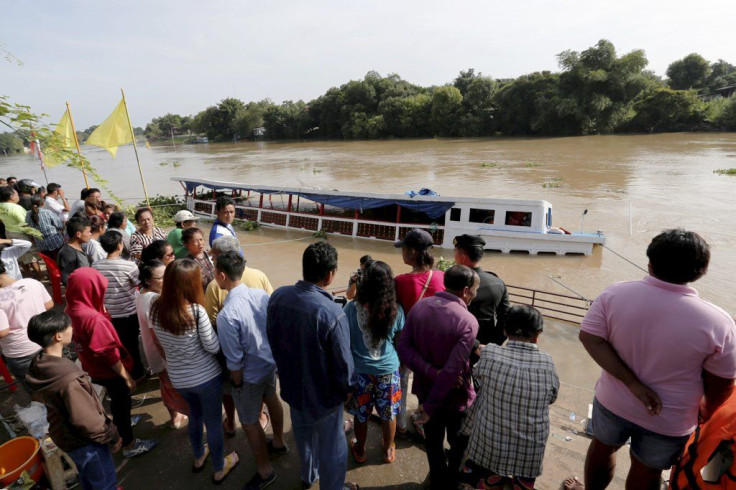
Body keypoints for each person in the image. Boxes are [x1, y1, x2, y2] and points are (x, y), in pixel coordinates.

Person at [564, 229, 736, 490]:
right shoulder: (719, 322)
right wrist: (705, 411)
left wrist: (632, 384)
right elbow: (723, 381)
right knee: (648, 468)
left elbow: (590, 338)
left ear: (650, 262)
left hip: (613, 401)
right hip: (671, 418)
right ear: (701, 271)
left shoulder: (615, 295)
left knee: (602, 447)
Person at [267, 242, 358, 490]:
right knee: (332, 447)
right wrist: (348, 389)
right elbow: (343, 364)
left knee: (303, 435)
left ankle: (308, 476)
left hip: (292, 388)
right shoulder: (331, 312)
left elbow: (271, 337)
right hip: (324, 397)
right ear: (330, 275)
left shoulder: (278, 297)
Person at [151, 259, 239, 484]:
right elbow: (212, 347)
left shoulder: (155, 308)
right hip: (206, 378)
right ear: (189, 283)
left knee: (195, 416)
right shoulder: (196, 312)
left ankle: (199, 456)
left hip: (179, 378)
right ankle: (220, 467)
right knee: (213, 422)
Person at [397, 265, 479, 490]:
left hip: (424, 390)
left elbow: (403, 349)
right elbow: (452, 372)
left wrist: (431, 374)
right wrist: (433, 401)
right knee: (458, 443)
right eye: (474, 291)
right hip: (455, 398)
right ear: (464, 290)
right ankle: (451, 481)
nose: (474, 295)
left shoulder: (420, 307)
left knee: (433, 442)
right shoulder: (468, 321)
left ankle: (437, 478)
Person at [461, 305, 559, 489]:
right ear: (537, 335)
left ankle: (489, 481)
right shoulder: (548, 362)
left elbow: (478, 376)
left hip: (488, 444)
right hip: (530, 452)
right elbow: (552, 397)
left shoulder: (489, 352)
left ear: (505, 330)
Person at [65, 267, 158, 458]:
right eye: (99, 288)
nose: (103, 291)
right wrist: (126, 377)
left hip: (93, 368)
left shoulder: (72, 308)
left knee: (118, 403)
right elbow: (107, 353)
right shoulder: (93, 319)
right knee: (121, 403)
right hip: (111, 371)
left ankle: (123, 424)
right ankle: (130, 445)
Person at [25, 311, 122, 490]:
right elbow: (87, 421)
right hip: (87, 443)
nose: (72, 328)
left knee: (89, 478)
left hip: (66, 438)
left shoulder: (39, 364)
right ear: (58, 336)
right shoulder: (68, 378)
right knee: (103, 482)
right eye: (68, 326)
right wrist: (113, 435)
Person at [215, 251, 287, 489]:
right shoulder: (261, 296)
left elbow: (234, 360)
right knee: (271, 398)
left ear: (222, 276)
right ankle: (278, 441)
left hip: (248, 375)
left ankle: (265, 471)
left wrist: (236, 383)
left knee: (248, 421)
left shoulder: (226, 315)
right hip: (268, 364)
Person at [203, 234, 273, 437]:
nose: (212, 263)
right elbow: (271, 305)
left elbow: (210, 320)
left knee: (231, 390)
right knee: (268, 395)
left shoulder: (215, 286)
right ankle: (261, 417)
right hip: (262, 352)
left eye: (214, 259)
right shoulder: (258, 275)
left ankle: (232, 422)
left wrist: (237, 381)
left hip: (231, 351)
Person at [345, 261, 405, 465]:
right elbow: (399, 339)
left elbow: (344, 340)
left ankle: (360, 450)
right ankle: (388, 451)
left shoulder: (351, 309)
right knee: (389, 413)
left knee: (361, 414)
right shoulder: (396, 309)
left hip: (360, 372)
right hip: (388, 370)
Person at [394, 228, 445, 435]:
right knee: (428, 381)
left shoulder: (400, 281)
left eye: (404, 249)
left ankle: (400, 424)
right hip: (434, 342)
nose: (402, 253)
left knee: (402, 379)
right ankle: (423, 418)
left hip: (407, 341)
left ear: (412, 252)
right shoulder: (442, 276)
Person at [135, 260, 188, 429]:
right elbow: (157, 336)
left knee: (165, 385)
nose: (167, 280)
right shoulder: (154, 301)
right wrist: (170, 358)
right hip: (163, 353)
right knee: (174, 388)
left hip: (154, 352)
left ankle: (175, 415)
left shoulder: (141, 293)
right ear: (148, 280)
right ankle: (182, 415)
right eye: (162, 278)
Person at [94, 231, 146, 381]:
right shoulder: (129, 266)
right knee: (132, 345)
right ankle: (137, 374)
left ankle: (122, 372)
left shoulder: (96, 265)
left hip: (109, 314)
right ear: (119, 246)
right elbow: (138, 284)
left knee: (116, 345)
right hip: (128, 312)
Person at [0, 260, 53, 392]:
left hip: (21, 352)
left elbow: (2, 331)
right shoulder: (32, 282)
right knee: (56, 382)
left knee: (37, 392)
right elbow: (49, 304)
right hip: (46, 341)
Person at [453, 234, 510, 348]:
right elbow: (505, 318)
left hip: (457, 343)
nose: (454, 256)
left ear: (463, 257)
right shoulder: (498, 282)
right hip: (486, 345)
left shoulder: (454, 282)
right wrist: (493, 345)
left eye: (455, 252)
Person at [26, 194, 65, 259]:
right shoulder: (48, 212)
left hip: (41, 245)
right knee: (60, 261)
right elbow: (60, 226)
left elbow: (29, 228)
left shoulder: (28, 214)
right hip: (55, 243)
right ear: (43, 203)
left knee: (49, 263)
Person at [57, 215, 92, 285]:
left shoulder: (78, 246)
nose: (90, 234)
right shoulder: (67, 254)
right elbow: (66, 279)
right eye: (88, 232)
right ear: (78, 234)